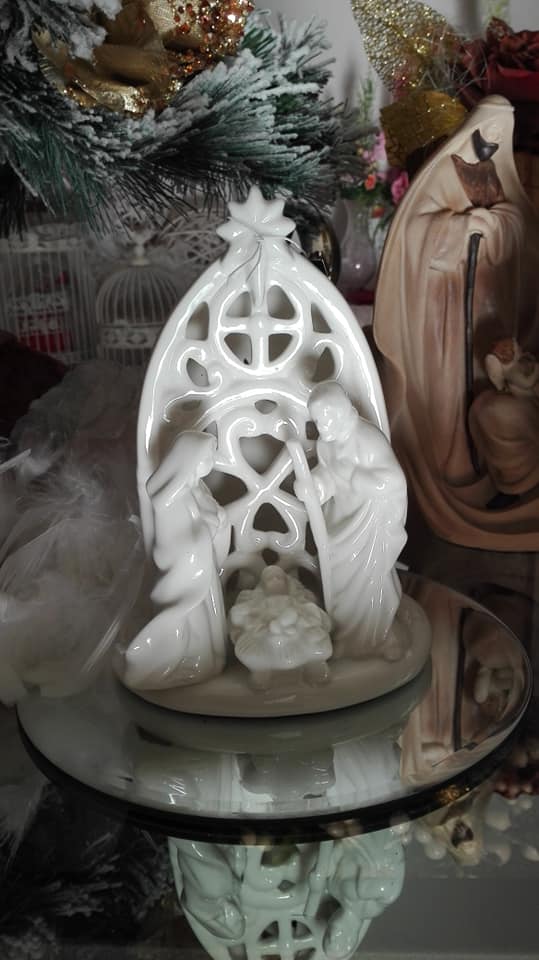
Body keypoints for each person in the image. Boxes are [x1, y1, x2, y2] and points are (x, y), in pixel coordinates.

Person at [374, 95, 539, 550]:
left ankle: (496, 476)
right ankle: (453, 473)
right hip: (440, 311)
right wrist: (463, 229)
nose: (494, 143)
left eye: (502, 135)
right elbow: (416, 231)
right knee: (445, 396)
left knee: (488, 387)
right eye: (490, 132)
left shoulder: (493, 174)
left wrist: (493, 225)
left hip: (486, 304)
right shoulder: (443, 174)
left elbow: (517, 224)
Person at [298, 382, 407, 658]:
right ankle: (347, 634)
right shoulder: (325, 445)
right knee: (339, 577)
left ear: (340, 413)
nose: (320, 427)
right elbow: (328, 476)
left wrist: (356, 476)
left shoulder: (368, 440)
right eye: (317, 421)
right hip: (342, 522)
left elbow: (394, 480)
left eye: (324, 419)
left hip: (368, 525)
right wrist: (316, 487)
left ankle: (374, 636)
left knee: (369, 580)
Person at [124, 431, 230, 690]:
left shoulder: (197, 488)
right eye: (206, 458)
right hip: (186, 571)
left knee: (207, 615)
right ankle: (191, 659)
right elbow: (174, 539)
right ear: (188, 460)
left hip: (202, 566)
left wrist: (219, 520)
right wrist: (208, 527)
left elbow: (208, 515)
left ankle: (207, 657)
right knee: (190, 616)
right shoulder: (168, 499)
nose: (211, 462)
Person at [469, 338, 539, 500]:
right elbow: (526, 382)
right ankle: (514, 486)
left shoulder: (519, 366)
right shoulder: (513, 370)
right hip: (525, 396)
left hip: (529, 397)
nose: (517, 350)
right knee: (493, 410)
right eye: (514, 349)